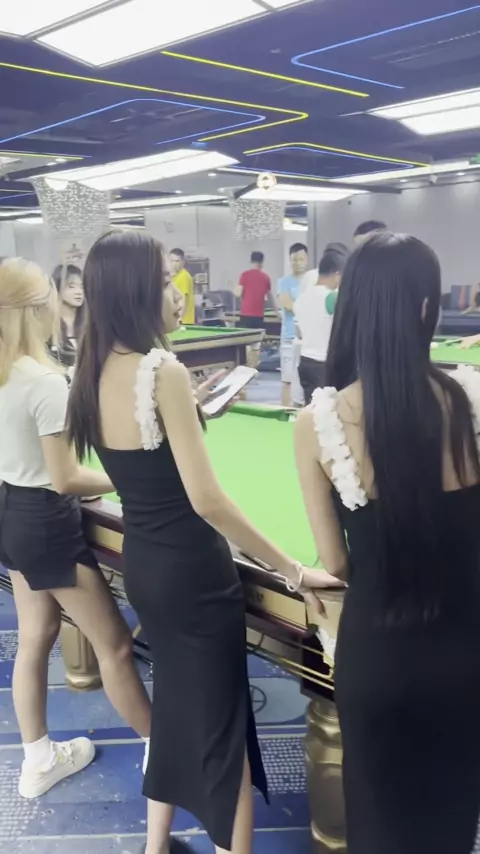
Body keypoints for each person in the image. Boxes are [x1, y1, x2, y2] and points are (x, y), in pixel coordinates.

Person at [67, 230, 343, 854]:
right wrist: (293, 569)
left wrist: (189, 411)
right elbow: (207, 501)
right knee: (223, 738)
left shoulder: (91, 368)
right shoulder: (161, 369)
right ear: (137, 292)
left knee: (173, 714)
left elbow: (140, 465)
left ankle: (155, 845)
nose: (176, 294)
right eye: (165, 282)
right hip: (194, 575)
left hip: (145, 565)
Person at [293, 232, 480, 854]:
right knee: (452, 815)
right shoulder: (470, 398)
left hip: (378, 659)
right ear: (426, 308)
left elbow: (336, 560)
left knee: (378, 822)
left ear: (350, 307)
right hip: (465, 653)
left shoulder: (317, 423)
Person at [0, 257, 152, 801]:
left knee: (36, 635)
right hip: (44, 520)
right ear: (37, 309)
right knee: (115, 646)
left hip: (9, 512)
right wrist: (125, 475)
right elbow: (65, 477)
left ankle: (39, 760)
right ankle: (163, 752)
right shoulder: (44, 381)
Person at [295, 249, 345, 404]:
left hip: (305, 361)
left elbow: (299, 332)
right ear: (336, 273)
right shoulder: (332, 297)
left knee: (310, 408)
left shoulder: (301, 298)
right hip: (324, 364)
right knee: (327, 411)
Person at [277, 243, 317, 407]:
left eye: (301, 259)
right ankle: (283, 416)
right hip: (289, 337)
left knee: (306, 382)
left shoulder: (314, 280)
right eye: (294, 259)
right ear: (290, 260)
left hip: (309, 339)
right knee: (287, 380)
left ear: (307, 259)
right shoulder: (283, 282)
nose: (298, 263)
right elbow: (287, 305)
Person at [51, 264, 84, 367]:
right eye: (71, 286)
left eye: (82, 287)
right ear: (58, 287)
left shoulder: (90, 322)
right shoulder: (49, 324)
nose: (79, 292)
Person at [170, 248, 194, 324]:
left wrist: (178, 319)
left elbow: (183, 300)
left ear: (183, 262)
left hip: (183, 321)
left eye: (177, 261)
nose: (174, 264)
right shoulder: (172, 277)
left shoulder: (184, 276)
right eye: (172, 261)